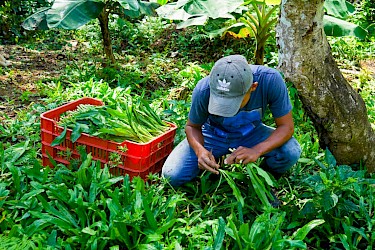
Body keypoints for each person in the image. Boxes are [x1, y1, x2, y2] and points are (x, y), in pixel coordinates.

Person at [162, 54, 301, 187]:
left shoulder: (270, 80)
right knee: (172, 175)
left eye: (234, 102)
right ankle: (212, 163)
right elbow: (192, 127)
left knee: (291, 151)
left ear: (253, 87)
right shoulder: (204, 89)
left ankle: (265, 178)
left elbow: (286, 127)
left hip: (252, 133)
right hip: (213, 134)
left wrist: (257, 150)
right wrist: (200, 151)